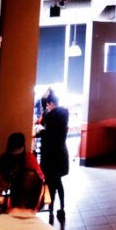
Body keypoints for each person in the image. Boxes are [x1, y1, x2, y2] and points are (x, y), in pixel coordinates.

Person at [37, 93, 69, 222]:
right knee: (58, 182)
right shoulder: (64, 114)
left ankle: (51, 209)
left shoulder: (52, 116)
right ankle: (61, 208)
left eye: (47, 105)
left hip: (51, 155)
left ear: (51, 104)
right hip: (61, 153)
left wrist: (41, 131)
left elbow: (49, 134)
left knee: (51, 183)